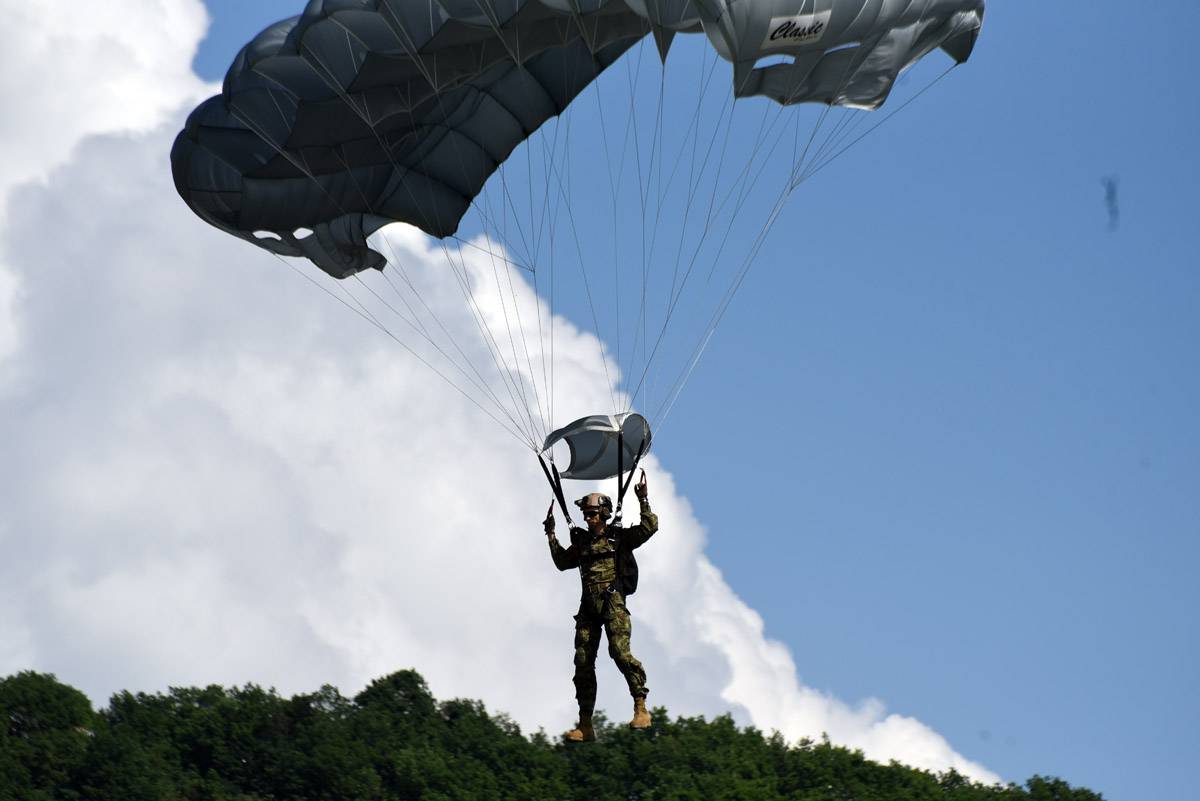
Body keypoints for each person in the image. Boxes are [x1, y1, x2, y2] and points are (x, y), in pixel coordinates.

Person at [543, 471, 657, 742]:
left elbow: (649, 527)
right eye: (585, 513)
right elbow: (562, 562)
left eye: (592, 513)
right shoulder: (581, 543)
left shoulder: (619, 538)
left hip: (612, 603)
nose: (587, 517)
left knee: (619, 651)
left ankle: (640, 706)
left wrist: (643, 499)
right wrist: (551, 534)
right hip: (588, 608)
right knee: (582, 661)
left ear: (604, 513)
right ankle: (585, 724)